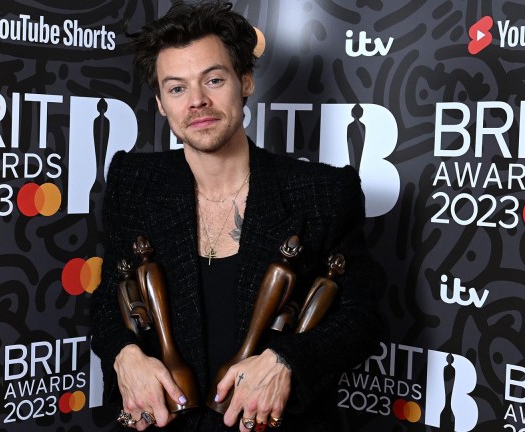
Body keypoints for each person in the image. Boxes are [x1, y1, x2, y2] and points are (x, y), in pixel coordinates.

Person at [89, 1, 385, 431]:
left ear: (244, 82)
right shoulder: (132, 182)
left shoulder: (322, 192)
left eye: (213, 79)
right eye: (177, 88)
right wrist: (124, 355)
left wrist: (287, 361)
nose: (197, 102)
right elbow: (107, 297)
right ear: (160, 103)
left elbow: (362, 317)